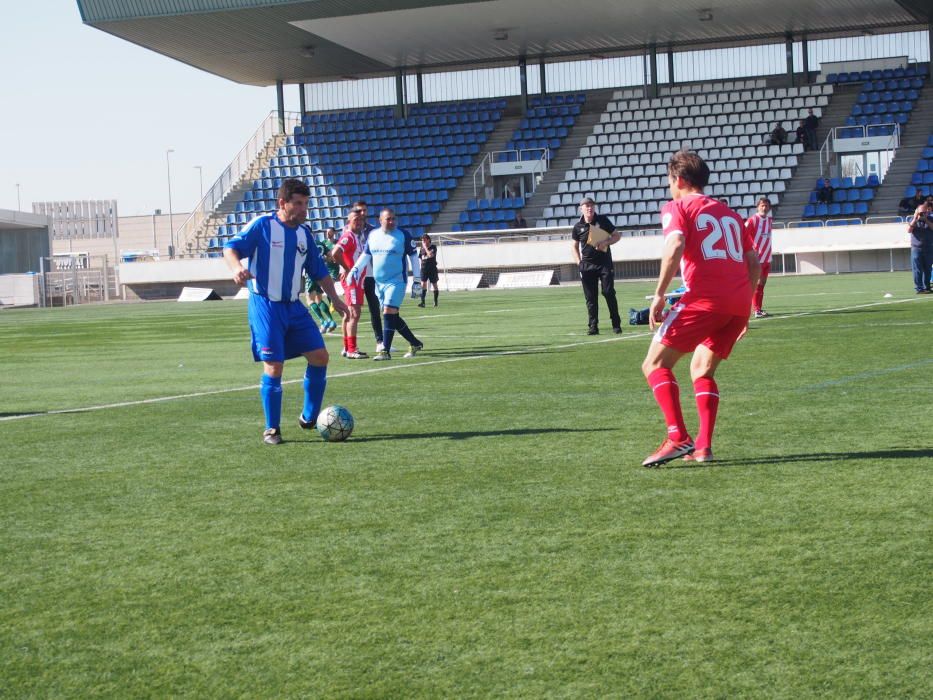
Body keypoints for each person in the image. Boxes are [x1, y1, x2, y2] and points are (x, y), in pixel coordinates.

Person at [640, 151, 760, 467]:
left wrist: (659, 294)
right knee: (701, 369)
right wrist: (745, 306)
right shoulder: (731, 214)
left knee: (654, 365)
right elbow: (753, 262)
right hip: (735, 304)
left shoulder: (677, 207)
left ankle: (678, 437)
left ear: (678, 180)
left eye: (669, 181)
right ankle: (703, 447)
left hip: (704, 299)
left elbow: (676, 244)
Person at [223, 178, 348, 445]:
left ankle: (309, 417)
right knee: (274, 365)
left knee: (320, 356)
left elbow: (319, 271)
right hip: (265, 306)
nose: (304, 209)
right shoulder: (263, 226)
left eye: (307, 204)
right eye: (298, 204)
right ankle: (272, 429)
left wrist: (335, 299)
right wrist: (236, 268)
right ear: (283, 203)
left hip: (294, 305)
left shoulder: (305, 234)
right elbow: (230, 248)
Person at [348, 208, 424, 360]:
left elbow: (414, 257)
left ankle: (385, 351)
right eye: (388, 219)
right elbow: (366, 255)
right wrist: (354, 270)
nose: (391, 222)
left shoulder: (403, 235)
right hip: (379, 284)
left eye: (393, 219)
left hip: (397, 281)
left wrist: (416, 279)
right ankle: (415, 343)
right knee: (392, 317)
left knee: (388, 312)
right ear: (380, 220)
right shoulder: (373, 235)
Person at [571, 196, 623, 335]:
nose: (589, 208)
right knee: (590, 298)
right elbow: (574, 246)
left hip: (604, 264)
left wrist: (605, 243)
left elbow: (617, 236)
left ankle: (616, 324)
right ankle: (593, 326)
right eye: (586, 206)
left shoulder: (603, 220)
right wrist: (579, 263)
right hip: (587, 266)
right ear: (581, 209)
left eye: (591, 205)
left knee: (608, 292)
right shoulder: (577, 227)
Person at [332, 209, 368, 359]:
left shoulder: (357, 238)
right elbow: (335, 253)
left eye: (360, 220)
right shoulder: (349, 237)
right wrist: (347, 268)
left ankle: (348, 348)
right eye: (355, 220)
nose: (358, 222)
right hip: (352, 281)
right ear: (349, 222)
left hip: (357, 281)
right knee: (354, 314)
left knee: (350, 314)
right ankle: (352, 349)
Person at [352, 200, 385, 353]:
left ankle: (380, 341)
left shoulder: (373, 231)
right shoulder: (348, 230)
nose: (363, 213)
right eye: (359, 211)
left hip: (371, 275)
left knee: (374, 309)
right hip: (355, 276)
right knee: (352, 312)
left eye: (365, 210)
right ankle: (349, 346)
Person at [304, 227, 339, 334]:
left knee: (310, 300)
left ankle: (323, 321)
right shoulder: (319, 243)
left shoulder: (304, 244)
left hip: (310, 274)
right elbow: (330, 257)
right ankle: (330, 321)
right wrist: (322, 259)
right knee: (319, 299)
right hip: (320, 273)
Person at [745, 197, 774, 318]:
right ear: (757, 206)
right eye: (762, 205)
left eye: (766, 205)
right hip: (757, 258)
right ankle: (756, 310)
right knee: (757, 284)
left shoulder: (769, 220)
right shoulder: (752, 220)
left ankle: (758, 309)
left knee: (762, 284)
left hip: (767, 258)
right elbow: (743, 235)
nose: (764, 207)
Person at [907, 198, 933, 293]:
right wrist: (915, 218)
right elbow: (909, 230)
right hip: (916, 248)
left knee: (928, 269)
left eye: (924, 212)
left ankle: (927, 287)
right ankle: (919, 288)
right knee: (917, 270)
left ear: (927, 212)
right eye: (920, 212)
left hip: (928, 248)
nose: (922, 214)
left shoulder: (930, 219)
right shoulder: (913, 220)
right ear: (917, 212)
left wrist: (926, 220)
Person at [418, 233, 439, 307]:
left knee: (434, 285)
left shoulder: (433, 247)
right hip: (424, 269)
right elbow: (421, 258)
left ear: (428, 240)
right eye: (422, 240)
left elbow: (430, 255)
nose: (423, 242)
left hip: (432, 269)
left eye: (424, 240)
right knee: (423, 284)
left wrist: (425, 248)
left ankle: (435, 302)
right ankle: (422, 302)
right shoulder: (421, 248)